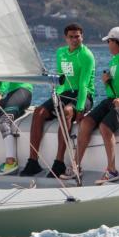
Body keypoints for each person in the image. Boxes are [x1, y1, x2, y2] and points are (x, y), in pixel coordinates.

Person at [62, 26, 119, 184]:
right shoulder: (115, 59)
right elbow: (111, 91)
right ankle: (76, 166)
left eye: (109, 41)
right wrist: (107, 83)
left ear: (116, 42)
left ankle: (112, 171)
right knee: (86, 122)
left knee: (105, 127)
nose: (108, 45)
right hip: (113, 100)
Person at [20, 23, 95, 178]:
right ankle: (33, 162)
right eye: (71, 37)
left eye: (78, 36)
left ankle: (59, 162)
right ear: (65, 38)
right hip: (65, 93)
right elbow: (61, 79)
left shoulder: (86, 55)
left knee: (67, 111)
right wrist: (56, 97)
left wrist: (80, 108)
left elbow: (83, 85)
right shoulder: (60, 53)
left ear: (82, 37)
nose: (75, 39)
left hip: (83, 95)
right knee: (39, 111)